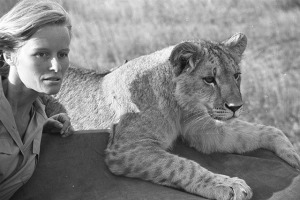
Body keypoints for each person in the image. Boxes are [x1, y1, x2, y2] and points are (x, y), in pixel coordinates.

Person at [0, 0, 74, 199]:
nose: (56, 67)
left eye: (62, 54)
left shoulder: (38, 116)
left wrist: (40, 128)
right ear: (9, 55)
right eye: (41, 54)